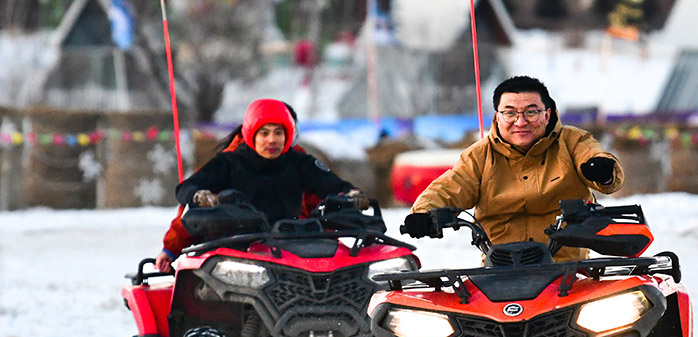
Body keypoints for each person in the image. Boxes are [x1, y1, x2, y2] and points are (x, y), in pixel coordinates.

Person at [403, 75, 624, 261]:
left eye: (531, 112)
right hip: (498, 273)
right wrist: (423, 214)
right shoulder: (478, 155)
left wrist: (601, 171)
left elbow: (596, 160)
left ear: (547, 115)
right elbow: (450, 187)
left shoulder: (573, 141)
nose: (520, 122)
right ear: (497, 117)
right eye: (510, 113)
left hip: (568, 271)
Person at [157, 99, 366, 272]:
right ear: (252, 132)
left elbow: (329, 192)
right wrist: (171, 248)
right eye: (265, 133)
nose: (272, 140)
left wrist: (350, 198)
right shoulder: (229, 163)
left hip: (292, 248)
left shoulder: (299, 163)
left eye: (279, 132)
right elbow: (190, 201)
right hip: (240, 251)